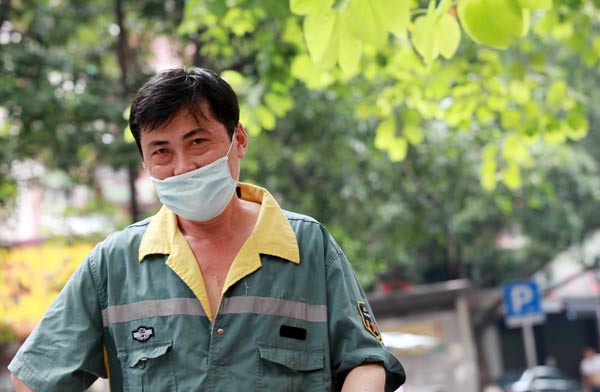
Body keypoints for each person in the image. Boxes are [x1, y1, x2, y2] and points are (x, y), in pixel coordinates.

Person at [8, 68, 405, 391]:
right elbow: (33, 378)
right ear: (145, 162)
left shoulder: (308, 247)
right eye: (161, 151)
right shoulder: (115, 264)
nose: (183, 167)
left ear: (239, 140)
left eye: (197, 142)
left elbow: (365, 362)